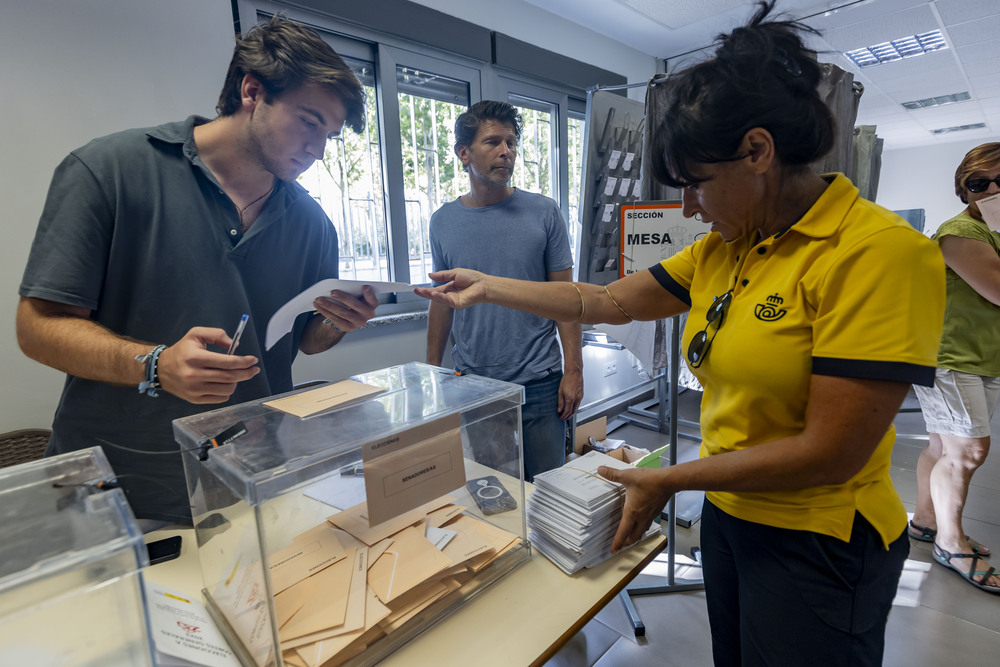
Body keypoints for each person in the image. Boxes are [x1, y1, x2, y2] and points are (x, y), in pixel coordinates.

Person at [416, 3, 945, 664]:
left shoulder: (878, 253)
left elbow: (830, 451)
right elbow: (607, 300)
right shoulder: (730, 248)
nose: (688, 207)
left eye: (696, 184)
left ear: (757, 151)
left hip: (819, 541)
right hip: (731, 515)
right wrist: (487, 284)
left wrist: (670, 477)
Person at [16, 17, 379, 526]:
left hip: (242, 482)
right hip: (111, 489)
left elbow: (303, 344)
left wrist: (340, 320)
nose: (318, 150)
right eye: (309, 121)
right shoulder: (111, 171)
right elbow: (37, 328)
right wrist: (154, 364)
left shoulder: (311, 224)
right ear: (252, 91)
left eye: (331, 135)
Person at [425, 100, 583, 482]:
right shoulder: (443, 222)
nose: (506, 151)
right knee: (496, 494)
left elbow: (567, 299)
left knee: (549, 492)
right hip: (476, 384)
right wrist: (430, 373)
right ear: (464, 153)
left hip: (541, 381)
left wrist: (573, 369)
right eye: (493, 141)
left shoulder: (543, 212)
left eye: (511, 142)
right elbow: (442, 303)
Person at [909, 142, 1000, 594]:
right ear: (965, 191)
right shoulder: (961, 232)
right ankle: (950, 542)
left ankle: (926, 520)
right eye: (979, 184)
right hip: (949, 356)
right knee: (968, 451)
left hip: (979, 354)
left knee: (942, 444)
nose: (990, 190)